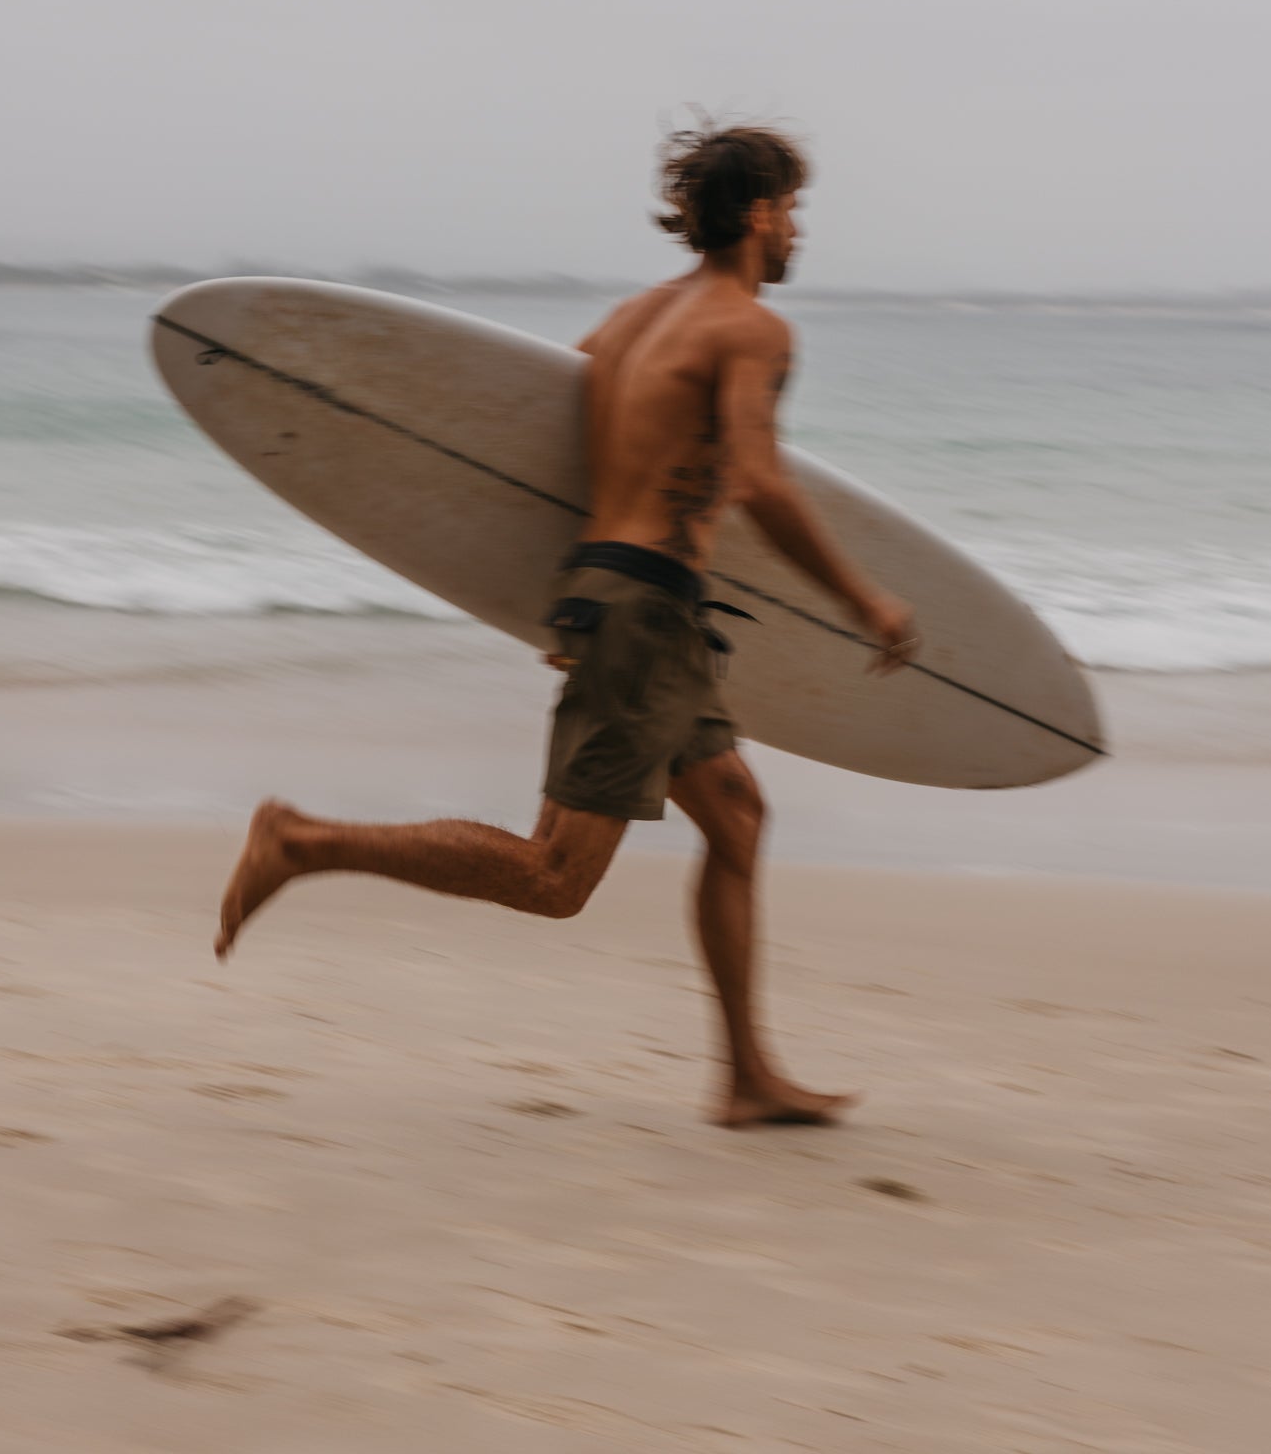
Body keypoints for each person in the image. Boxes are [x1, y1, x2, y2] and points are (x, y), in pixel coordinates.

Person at [214, 124, 920, 1125]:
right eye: (794, 208)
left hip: (627, 598)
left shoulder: (628, 324)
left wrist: (565, 598)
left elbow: (552, 470)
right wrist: (865, 597)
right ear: (760, 213)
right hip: (648, 614)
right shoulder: (750, 329)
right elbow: (759, 478)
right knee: (554, 876)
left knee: (738, 818)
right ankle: (303, 840)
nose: (800, 228)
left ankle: (745, 1075)